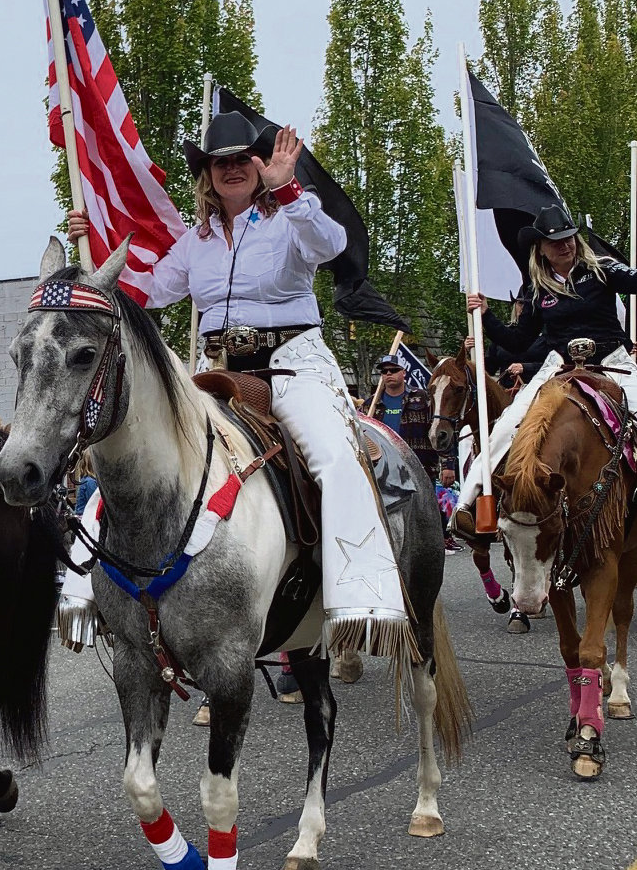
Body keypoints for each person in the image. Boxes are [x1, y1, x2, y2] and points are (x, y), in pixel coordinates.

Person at [67, 112, 409, 634]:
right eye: (219, 162)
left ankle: (362, 597)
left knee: (334, 455)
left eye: (241, 159)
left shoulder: (289, 218)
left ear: (258, 164)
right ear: (208, 173)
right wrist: (91, 251)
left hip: (292, 365)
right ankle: (87, 589)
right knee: (137, 450)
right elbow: (148, 292)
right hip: (215, 374)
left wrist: (289, 189)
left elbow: (331, 245)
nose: (232, 169)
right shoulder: (194, 243)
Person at [454, 204, 637, 536]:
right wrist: (485, 315)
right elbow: (519, 341)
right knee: (506, 425)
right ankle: (468, 507)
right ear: (540, 248)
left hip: (613, 364)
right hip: (559, 369)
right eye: (555, 242)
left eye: (568, 238)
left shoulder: (602, 271)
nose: (564, 245)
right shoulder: (538, 291)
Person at [371, 356, 409, 434]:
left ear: (404, 373)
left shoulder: (421, 397)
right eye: (384, 371)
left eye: (394, 370)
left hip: (413, 445)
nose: (388, 373)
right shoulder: (371, 403)